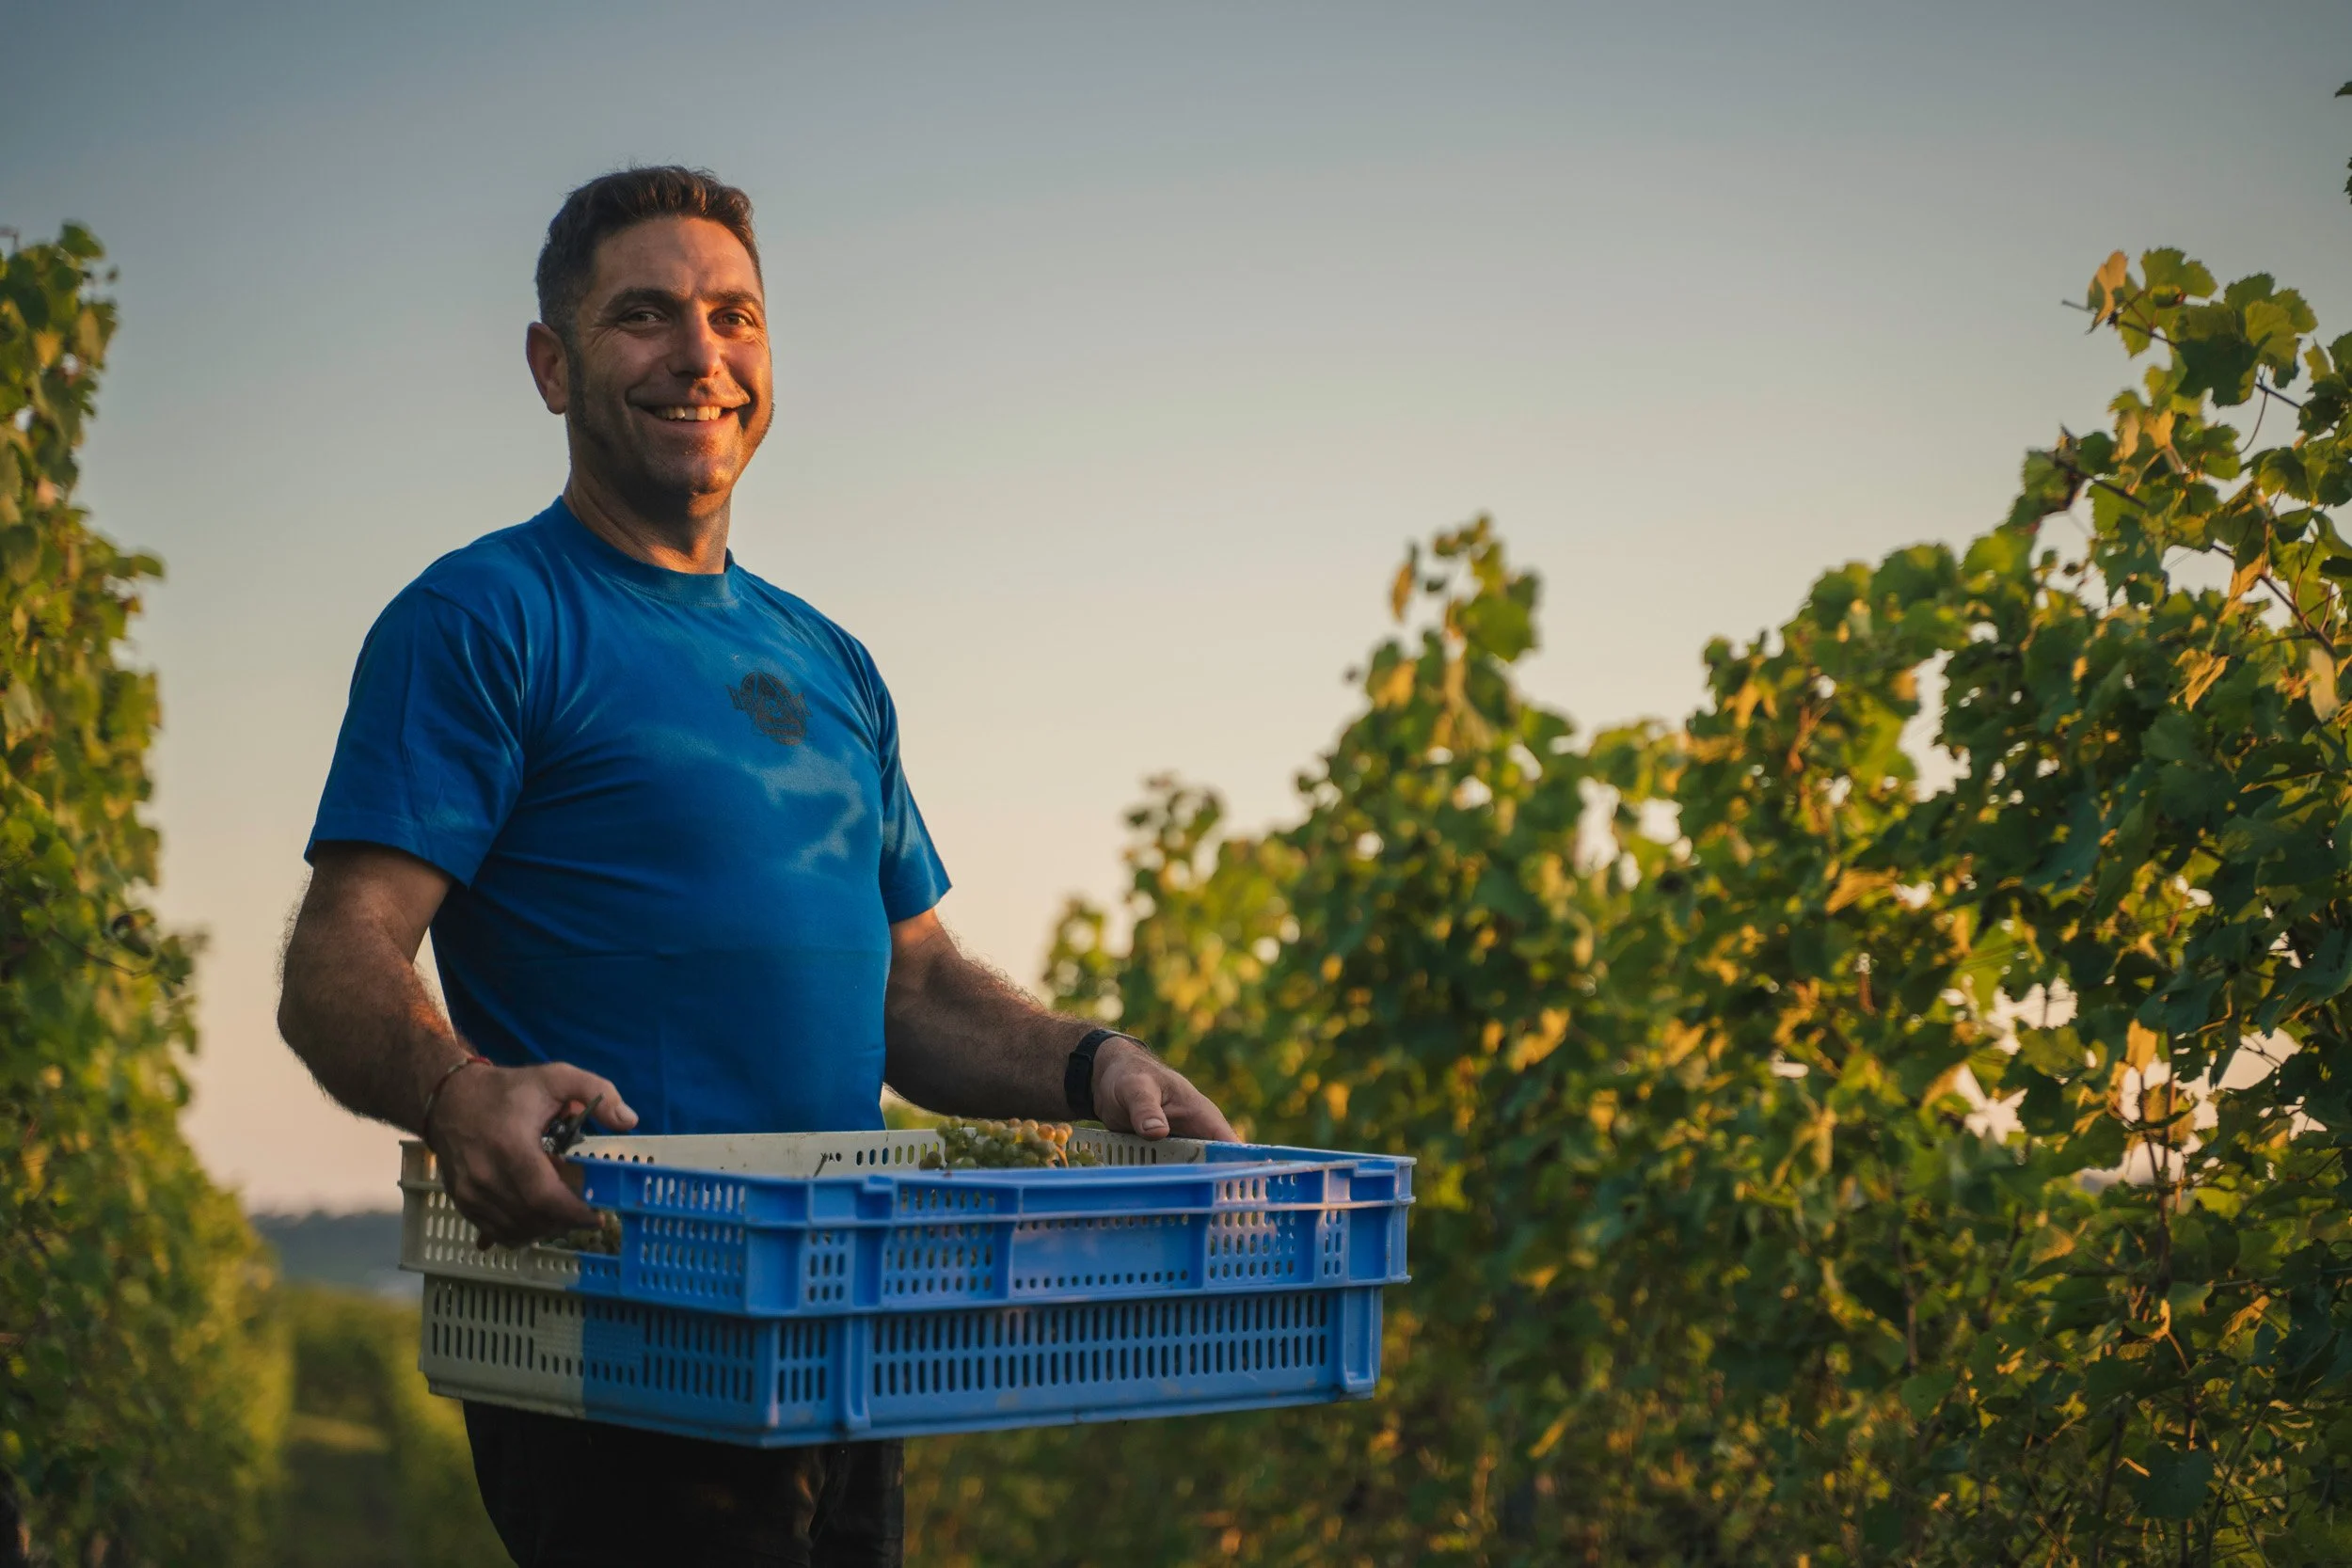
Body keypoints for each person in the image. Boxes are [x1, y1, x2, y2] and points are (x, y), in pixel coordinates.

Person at [277, 165, 1236, 1568]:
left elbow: (912, 986)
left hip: (840, 1332)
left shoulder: (828, 659)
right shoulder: (482, 618)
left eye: (735, 315)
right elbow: (338, 955)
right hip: (623, 1324)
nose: (700, 356)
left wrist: (1096, 1065)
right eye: (644, 316)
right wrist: (458, 1088)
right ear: (552, 365)